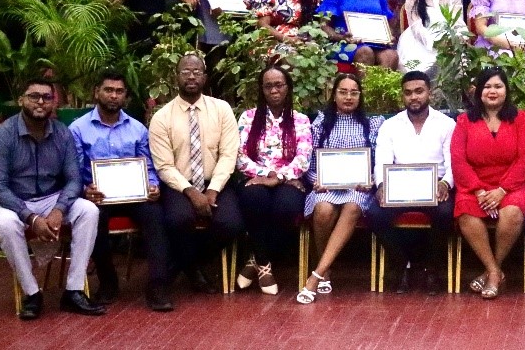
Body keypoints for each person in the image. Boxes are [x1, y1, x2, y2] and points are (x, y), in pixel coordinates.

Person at [0, 78, 105, 320]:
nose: (40, 102)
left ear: (54, 102)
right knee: (7, 224)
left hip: (51, 199)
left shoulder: (62, 133)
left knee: (89, 210)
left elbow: (74, 179)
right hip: (13, 201)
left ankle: (73, 291)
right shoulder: (4, 134)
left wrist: (59, 210)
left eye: (46, 97)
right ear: (21, 99)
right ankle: (32, 293)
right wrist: (31, 218)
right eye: (34, 96)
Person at [71, 70, 172, 311]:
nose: (113, 96)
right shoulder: (78, 129)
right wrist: (85, 190)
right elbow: (72, 171)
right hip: (98, 197)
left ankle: (158, 287)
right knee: (92, 217)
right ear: (97, 92)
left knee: (156, 215)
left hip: (134, 195)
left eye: (119, 91)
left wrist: (153, 185)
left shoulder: (137, 129)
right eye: (108, 90)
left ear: (125, 96)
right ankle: (108, 282)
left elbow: (147, 165)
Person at [147, 54, 243, 295]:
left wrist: (213, 189)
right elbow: (164, 165)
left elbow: (229, 154)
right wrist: (191, 192)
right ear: (175, 77)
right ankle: (193, 270)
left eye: (196, 71)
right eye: (185, 71)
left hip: (216, 181)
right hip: (180, 184)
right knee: (178, 220)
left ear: (205, 77)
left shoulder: (221, 110)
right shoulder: (161, 117)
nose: (191, 76)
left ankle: (186, 264)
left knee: (231, 224)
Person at [367, 71, 456, 294]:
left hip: (435, 186)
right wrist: (381, 186)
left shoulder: (446, 124)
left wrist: (446, 183)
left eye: (419, 91)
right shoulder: (391, 125)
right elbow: (382, 160)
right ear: (402, 96)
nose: (413, 97)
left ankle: (432, 269)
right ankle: (402, 265)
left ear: (429, 94)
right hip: (399, 186)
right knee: (375, 214)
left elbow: (453, 161)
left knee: (445, 213)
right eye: (408, 93)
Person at [451, 67, 525, 299]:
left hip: (512, 185)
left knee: (512, 213)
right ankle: (494, 270)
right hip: (475, 187)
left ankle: (492, 271)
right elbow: (458, 160)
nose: (492, 91)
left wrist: (502, 190)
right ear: (479, 91)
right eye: (487, 86)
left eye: (498, 86)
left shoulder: (521, 120)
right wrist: (478, 189)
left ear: (506, 91)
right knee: (466, 213)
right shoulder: (464, 122)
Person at [299, 74, 384, 303]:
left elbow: (380, 160)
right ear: (333, 95)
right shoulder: (320, 123)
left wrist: (372, 180)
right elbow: (309, 162)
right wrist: (317, 180)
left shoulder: (373, 124)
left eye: (354, 92)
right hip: (326, 186)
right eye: (343, 92)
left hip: (359, 187)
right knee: (323, 210)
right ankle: (325, 268)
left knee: (353, 206)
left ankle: (316, 276)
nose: (348, 97)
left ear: (360, 96)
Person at [234, 67, 312, 296]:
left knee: (285, 206)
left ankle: (255, 260)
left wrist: (278, 177)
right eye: (268, 86)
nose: (274, 90)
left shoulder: (300, 120)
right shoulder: (248, 118)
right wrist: (265, 175)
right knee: (254, 198)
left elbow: (303, 157)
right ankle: (265, 266)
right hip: (255, 180)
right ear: (261, 89)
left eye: (279, 84)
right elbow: (239, 156)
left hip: (288, 181)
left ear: (288, 87)